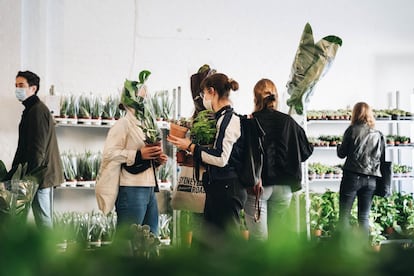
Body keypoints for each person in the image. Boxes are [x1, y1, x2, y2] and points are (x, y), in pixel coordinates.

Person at [168, 73, 247, 240]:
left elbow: (220, 158)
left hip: (228, 190)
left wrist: (190, 146)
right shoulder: (222, 119)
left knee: (226, 244)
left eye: (204, 94)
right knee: (209, 244)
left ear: (212, 91)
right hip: (219, 189)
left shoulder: (227, 120)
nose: (203, 99)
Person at [243, 79, 313, 240]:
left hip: (258, 186)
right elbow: (306, 152)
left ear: (255, 98)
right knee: (276, 239)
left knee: (259, 241)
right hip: (284, 187)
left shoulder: (250, 122)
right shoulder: (288, 122)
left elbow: (242, 155)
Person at [96, 88, 167, 235]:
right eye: (141, 97)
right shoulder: (123, 124)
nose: (144, 101)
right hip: (131, 188)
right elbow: (109, 154)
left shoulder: (147, 125)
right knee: (128, 240)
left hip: (150, 188)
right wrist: (139, 155)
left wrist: (157, 160)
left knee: (151, 239)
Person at [12, 70, 64, 229]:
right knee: (42, 220)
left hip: (40, 177)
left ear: (33, 88)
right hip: (36, 176)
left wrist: (31, 181)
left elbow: (37, 148)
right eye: (16, 86)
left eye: (21, 85)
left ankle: (50, 254)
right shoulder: (31, 109)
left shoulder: (37, 111)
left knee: (44, 221)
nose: (17, 89)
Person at [336, 102, 385, 239]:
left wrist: (339, 145)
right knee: (363, 217)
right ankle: (363, 252)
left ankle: (343, 250)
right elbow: (381, 157)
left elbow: (342, 153)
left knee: (344, 216)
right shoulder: (378, 134)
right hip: (371, 179)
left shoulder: (352, 130)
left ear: (355, 113)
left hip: (352, 177)